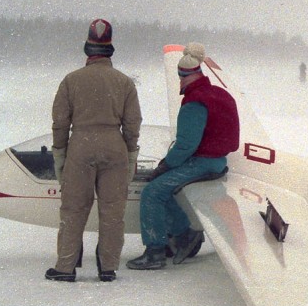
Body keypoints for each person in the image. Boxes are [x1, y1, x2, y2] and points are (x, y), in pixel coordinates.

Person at [127, 42, 240, 270]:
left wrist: (165, 165)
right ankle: (184, 234)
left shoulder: (195, 102)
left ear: (186, 76)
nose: (179, 82)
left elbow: (186, 145)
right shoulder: (218, 93)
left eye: (180, 77)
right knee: (163, 188)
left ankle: (156, 251)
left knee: (152, 191)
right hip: (216, 160)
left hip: (203, 162)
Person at [46, 19, 142, 283]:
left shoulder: (71, 81)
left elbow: (60, 122)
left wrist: (60, 155)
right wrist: (131, 152)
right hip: (115, 147)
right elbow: (132, 123)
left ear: (87, 50)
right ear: (110, 51)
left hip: (81, 145)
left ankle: (66, 266)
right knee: (113, 211)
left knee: (73, 209)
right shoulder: (124, 83)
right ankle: (108, 266)